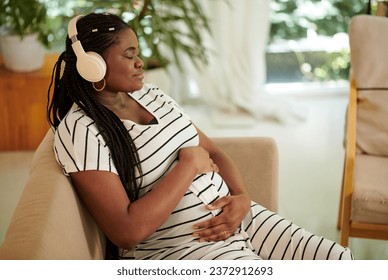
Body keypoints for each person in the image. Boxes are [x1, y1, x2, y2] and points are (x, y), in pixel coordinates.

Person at [47, 12, 353, 260]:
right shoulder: (81, 131)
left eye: (138, 53)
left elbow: (215, 153)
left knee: (339, 261)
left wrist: (242, 197)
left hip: (244, 220)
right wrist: (189, 165)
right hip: (188, 249)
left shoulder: (153, 94)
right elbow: (126, 232)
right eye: (129, 56)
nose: (141, 62)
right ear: (93, 65)